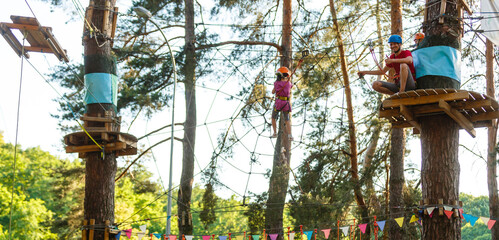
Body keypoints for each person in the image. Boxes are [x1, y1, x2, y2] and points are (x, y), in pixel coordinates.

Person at [271, 66, 293, 140]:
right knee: (287, 120)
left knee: (273, 117)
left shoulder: (276, 83)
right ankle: (290, 135)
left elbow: (273, 92)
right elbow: (291, 86)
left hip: (278, 103)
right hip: (286, 103)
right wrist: (287, 80)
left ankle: (275, 133)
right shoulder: (289, 83)